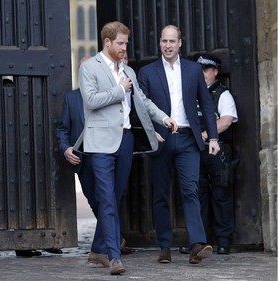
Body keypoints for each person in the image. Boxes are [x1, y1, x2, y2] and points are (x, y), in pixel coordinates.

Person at [73, 21, 177, 275]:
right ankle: (114, 257)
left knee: (116, 197)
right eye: (120, 43)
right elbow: (91, 100)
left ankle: (98, 250)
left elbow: (142, 101)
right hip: (99, 142)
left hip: (125, 140)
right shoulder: (90, 68)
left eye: (125, 43)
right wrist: (119, 90)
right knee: (106, 197)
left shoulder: (128, 72)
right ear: (107, 42)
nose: (124, 47)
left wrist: (163, 118)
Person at [138, 25, 220, 265]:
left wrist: (212, 137)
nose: (167, 45)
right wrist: (151, 130)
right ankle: (164, 246)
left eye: (172, 41)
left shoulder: (194, 70)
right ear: (160, 43)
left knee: (190, 190)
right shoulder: (147, 71)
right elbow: (140, 106)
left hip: (188, 139)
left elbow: (206, 105)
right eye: (164, 41)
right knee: (161, 193)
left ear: (180, 43)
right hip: (161, 139)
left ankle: (197, 244)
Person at [56, 56, 135, 267]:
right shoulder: (71, 98)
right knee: (98, 203)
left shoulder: (108, 95)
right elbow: (63, 128)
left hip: (106, 153)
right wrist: (66, 148)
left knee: (109, 200)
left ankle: (107, 250)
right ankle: (106, 245)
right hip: (84, 160)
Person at [195, 53, 238, 254]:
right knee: (198, 195)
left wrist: (204, 135)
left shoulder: (222, 94)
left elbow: (227, 120)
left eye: (206, 70)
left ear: (215, 72)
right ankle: (199, 241)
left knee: (220, 195)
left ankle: (223, 241)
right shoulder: (190, 94)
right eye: (199, 70)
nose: (202, 74)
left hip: (217, 151)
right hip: (196, 152)